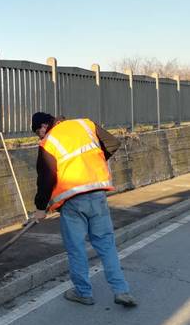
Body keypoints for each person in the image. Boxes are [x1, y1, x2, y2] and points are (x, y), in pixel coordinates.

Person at [30, 112, 137, 307]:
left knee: (76, 247)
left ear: (44, 126)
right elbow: (112, 144)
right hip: (97, 193)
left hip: (72, 200)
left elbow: (46, 178)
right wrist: (91, 163)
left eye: (38, 131)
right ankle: (122, 290)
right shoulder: (85, 125)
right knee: (106, 244)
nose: (40, 136)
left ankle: (83, 292)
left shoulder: (49, 142)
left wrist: (40, 208)